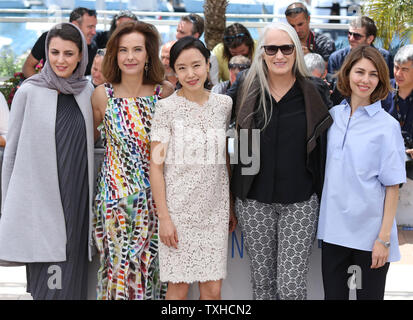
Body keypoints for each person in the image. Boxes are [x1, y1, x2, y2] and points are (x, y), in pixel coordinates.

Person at [230, 22, 333, 300]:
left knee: (290, 287)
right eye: (271, 48)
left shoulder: (313, 90)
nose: (279, 55)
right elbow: (211, 111)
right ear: (262, 52)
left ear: (296, 51)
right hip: (253, 200)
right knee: (262, 285)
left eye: (286, 48)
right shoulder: (246, 88)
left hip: (300, 201)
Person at [0, 23, 95, 300]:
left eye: (68, 53)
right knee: (49, 287)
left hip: (77, 206)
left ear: (80, 56)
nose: (60, 60)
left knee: (74, 285)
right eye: (54, 52)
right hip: (40, 209)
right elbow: (12, 154)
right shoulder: (29, 91)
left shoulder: (86, 92)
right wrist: (9, 209)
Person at [91, 21, 174, 300]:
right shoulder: (102, 95)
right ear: (114, 54)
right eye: (123, 50)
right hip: (114, 199)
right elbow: (91, 140)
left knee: (152, 270)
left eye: (137, 49)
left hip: (157, 199)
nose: (130, 57)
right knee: (118, 271)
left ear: (149, 54)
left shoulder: (164, 93)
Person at [149, 36, 236, 300]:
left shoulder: (224, 105)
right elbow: (155, 166)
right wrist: (164, 218)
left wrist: (229, 205)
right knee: (178, 288)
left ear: (207, 64)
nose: (190, 74)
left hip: (214, 211)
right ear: (173, 71)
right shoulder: (165, 109)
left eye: (196, 65)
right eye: (182, 68)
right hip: (178, 212)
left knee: (212, 291)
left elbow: (224, 160)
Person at [317, 45, 406, 300]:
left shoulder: (387, 127)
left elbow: (392, 187)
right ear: (347, 74)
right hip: (333, 233)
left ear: (380, 79)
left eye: (373, 74)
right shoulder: (332, 117)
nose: (365, 80)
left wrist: (384, 239)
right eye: (360, 72)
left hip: (371, 238)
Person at [22, 7, 98, 77]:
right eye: (90, 27)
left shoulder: (93, 46)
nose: (94, 32)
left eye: (94, 27)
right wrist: (40, 87)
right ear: (75, 25)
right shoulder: (48, 38)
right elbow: (28, 67)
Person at [328, 16, 393, 77]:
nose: (351, 38)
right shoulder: (336, 58)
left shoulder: (384, 57)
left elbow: (389, 84)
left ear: (370, 39)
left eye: (357, 36)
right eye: (349, 34)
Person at [382, 45, 413, 156]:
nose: (398, 74)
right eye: (396, 68)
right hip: (385, 158)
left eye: (404, 69)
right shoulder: (382, 90)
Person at [175, 13, 219, 86]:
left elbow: (214, 86)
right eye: (177, 31)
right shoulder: (167, 52)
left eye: (182, 32)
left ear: (195, 36)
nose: (177, 36)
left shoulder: (210, 57)